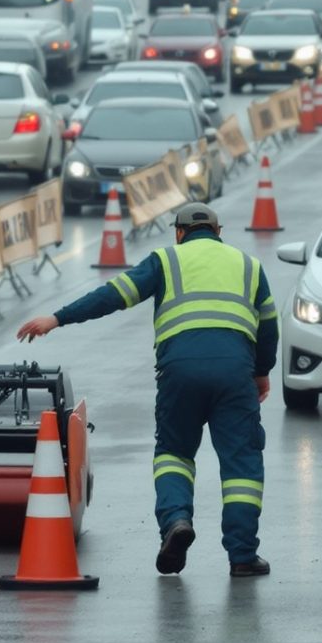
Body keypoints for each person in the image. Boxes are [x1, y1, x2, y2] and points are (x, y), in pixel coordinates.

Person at [16, 202, 279, 578]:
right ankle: (242, 556)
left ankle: (176, 522)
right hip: (234, 375)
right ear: (219, 233)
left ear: (179, 233)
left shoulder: (165, 261)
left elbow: (112, 296)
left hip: (179, 374)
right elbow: (269, 326)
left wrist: (57, 319)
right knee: (241, 466)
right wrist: (261, 372)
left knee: (174, 454)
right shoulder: (249, 267)